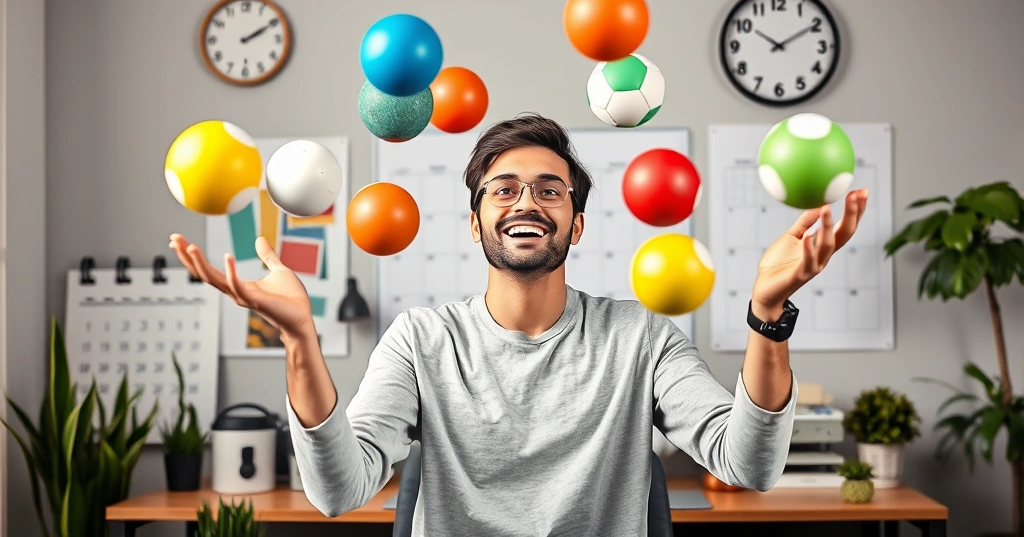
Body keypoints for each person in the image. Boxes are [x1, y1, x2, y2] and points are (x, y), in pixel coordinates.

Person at [169, 113, 868, 536]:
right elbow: (336, 491)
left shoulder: (642, 338)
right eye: (503, 189)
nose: (525, 201)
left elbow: (749, 464)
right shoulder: (421, 340)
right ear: (475, 224)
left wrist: (768, 316)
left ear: (577, 222)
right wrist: (300, 345)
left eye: (549, 189)